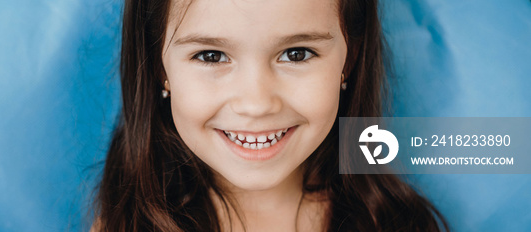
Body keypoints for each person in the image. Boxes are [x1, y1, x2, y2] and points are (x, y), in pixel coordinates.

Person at [94, 0, 448, 231]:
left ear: (349, 60)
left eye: (296, 54)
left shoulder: (395, 223)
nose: (257, 103)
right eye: (211, 56)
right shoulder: (124, 224)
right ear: (159, 68)